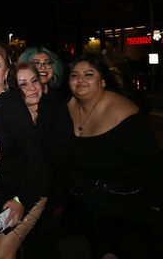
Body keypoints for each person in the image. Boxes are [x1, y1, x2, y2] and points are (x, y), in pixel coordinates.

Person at [66, 55, 162, 258]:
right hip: (84, 205)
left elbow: (152, 163)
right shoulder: (68, 108)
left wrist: (155, 204)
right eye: (74, 75)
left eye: (88, 74)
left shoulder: (124, 113)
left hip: (123, 206)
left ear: (103, 81)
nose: (80, 80)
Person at [0, 43, 45, 259]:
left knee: (0, 256)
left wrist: (20, 200)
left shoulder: (11, 105)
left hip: (23, 191)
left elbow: (36, 156)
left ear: (6, 74)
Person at [10, 62, 73, 259]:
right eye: (22, 84)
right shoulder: (10, 110)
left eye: (34, 80)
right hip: (17, 191)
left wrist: (34, 127)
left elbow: (62, 155)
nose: (31, 87)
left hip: (49, 191)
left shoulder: (54, 107)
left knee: (44, 244)